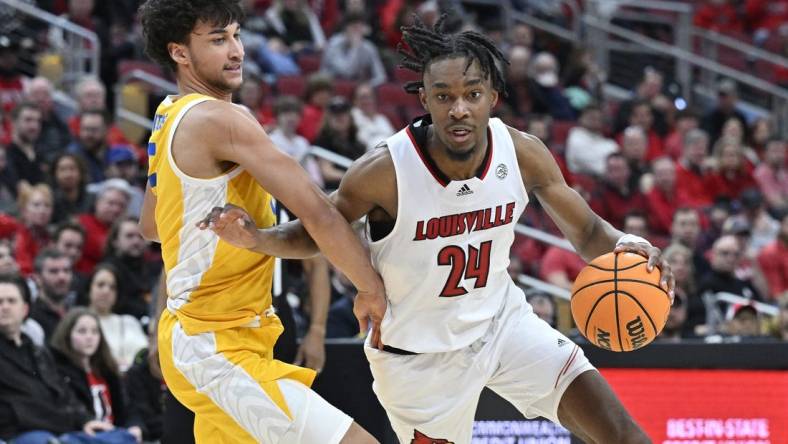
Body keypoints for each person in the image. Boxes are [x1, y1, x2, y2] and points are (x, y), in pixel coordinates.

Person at [202, 15, 675, 443]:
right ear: (425, 98)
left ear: (492, 96)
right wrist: (259, 239)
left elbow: (589, 232)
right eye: (444, 96)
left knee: (623, 434)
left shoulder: (523, 152)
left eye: (472, 94)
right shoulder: (384, 170)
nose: (459, 109)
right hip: (416, 358)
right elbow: (319, 230)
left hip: (502, 326)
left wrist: (632, 248)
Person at [138, 1, 385, 443]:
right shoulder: (220, 119)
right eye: (217, 41)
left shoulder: (169, 114)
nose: (236, 51)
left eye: (235, 35)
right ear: (179, 52)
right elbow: (318, 213)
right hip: (215, 346)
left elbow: (151, 228)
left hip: (219, 337)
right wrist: (370, 288)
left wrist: (224, 223)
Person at [0, 273, 122, 444]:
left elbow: (64, 394)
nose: (5, 307)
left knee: (122, 437)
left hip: (61, 429)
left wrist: (85, 420)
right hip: (23, 434)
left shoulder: (39, 352)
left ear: (25, 309)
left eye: (11, 301)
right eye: (0, 301)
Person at [49, 308, 144, 442]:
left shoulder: (107, 371)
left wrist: (135, 425)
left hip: (114, 434)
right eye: (82, 331)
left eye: (95, 331)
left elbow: (128, 408)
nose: (89, 337)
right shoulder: (58, 372)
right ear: (67, 335)